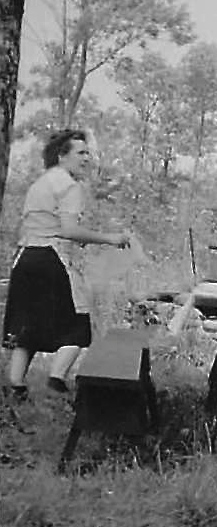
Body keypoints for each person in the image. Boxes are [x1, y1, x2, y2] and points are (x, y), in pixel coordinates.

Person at [4, 129, 131, 400]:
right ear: (62, 156)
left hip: (25, 259)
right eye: (81, 153)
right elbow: (69, 230)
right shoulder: (70, 186)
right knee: (78, 325)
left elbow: (44, 224)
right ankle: (57, 381)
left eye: (88, 153)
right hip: (51, 259)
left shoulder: (41, 183)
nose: (87, 158)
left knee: (27, 327)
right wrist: (110, 238)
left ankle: (15, 387)